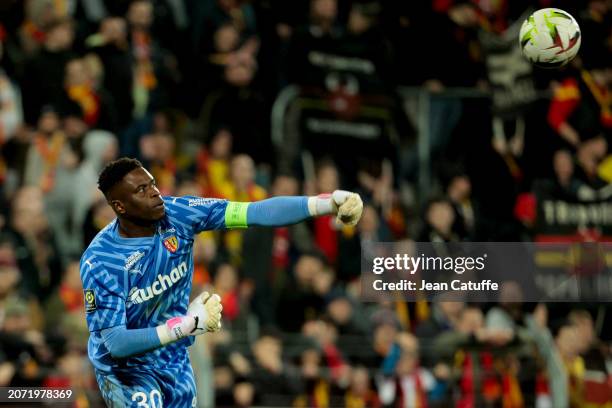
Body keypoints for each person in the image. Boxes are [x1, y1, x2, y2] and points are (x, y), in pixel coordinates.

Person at [79, 157, 363, 406]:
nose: (155, 193)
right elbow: (115, 342)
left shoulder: (180, 213)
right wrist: (187, 325)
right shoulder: (101, 261)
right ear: (119, 206)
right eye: (142, 190)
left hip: (172, 357)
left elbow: (256, 212)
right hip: (126, 369)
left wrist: (325, 203)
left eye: (152, 184)